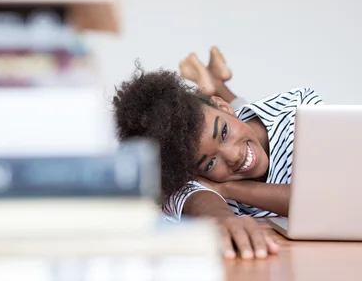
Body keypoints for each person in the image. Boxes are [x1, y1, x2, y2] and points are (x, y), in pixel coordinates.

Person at [113, 47, 322, 260]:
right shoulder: (189, 175)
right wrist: (223, 220)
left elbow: (325, 199)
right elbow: (199, 202)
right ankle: (214, 83)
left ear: (223, 105)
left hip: (251, 115)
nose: (233, 156)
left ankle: (216, 85)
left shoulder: (298, 114)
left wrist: (228, 188)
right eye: (210, 163)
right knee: (237, 128)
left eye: (223, 132)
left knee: (242, 119)